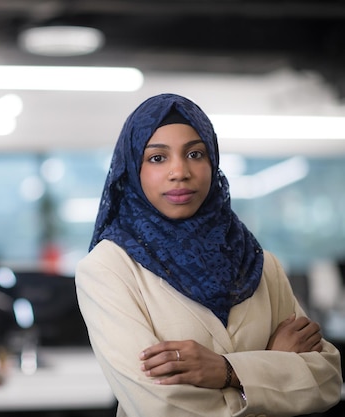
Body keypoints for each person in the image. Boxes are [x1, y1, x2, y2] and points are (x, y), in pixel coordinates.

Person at [75, 93, 343, 417]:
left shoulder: (260, 264)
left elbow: (327, 378)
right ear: (133, 170)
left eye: (195, 154)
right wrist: (272, 370)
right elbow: (161, 408)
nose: (180, 171)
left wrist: (226, 371)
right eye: (157, 158)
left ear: (212, 161)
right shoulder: (108, 269)